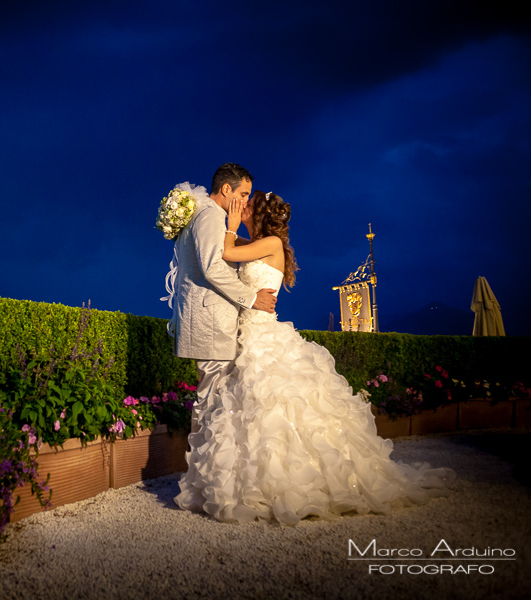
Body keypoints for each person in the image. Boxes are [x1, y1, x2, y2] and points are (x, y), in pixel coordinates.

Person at [173, 190, 455, 525]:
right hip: (244, 335)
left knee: (270, 408)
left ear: (259, 212)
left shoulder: (272, 243)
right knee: (246, 412)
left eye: (247, 204)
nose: (241, 206)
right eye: (241, 202)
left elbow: (225, 251)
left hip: (261, 336)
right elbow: (218, 258)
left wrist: (230, 223)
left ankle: (291, 486)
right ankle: (254, 484)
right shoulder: (260, 243)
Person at [166, 164, 278, 436]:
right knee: (211, 400)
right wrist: (252, 298)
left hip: (210, 319)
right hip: (210, 321)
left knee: (215, 397)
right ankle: (201, 471)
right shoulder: (210, 216)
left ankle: (208, 466)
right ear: (226, 189)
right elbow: (212, 267)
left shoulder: (211, 217)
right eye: (244, 193)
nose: (246, 201)